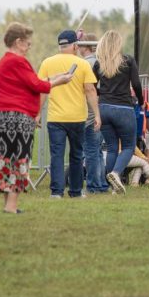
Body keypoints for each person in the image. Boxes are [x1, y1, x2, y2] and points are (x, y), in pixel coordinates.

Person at [0, 22, 73, 213]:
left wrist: (55, 76)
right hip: (17, 118)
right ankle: (11, 206)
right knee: (19, 160)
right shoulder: (18, 61)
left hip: (0, 117)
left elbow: (30, 82)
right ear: (18, 42)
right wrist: (61, 80)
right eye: (28, 43)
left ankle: (8, 205)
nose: (29, 47)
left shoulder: (5, 62)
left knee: (5, 161)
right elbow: (39, 86)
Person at [37, 30, 101, 199]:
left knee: (56, 155)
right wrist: (97, 115)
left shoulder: (47, 63)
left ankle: (56, 192)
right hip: (77, 118)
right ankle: (76, 191)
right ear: (74, 45)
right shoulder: (83, 64)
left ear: (60, 45)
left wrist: (37, 113)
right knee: (77, 155)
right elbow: (90, 90)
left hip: (55, 118)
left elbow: (42, 91)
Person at [93, 30, 145, 194]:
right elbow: (136, 84)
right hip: (123, 108)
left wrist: (103, 96)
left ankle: (111, 186)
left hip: (104, 109)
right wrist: (141, 101)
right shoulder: (128, 60)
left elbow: (92, 88)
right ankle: (115, 174)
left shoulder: (98, 64)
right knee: (129, 146)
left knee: (112, 147)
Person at [76, 31, 108, 194]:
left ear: (85, 46)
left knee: (90, 151)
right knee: (96, 150)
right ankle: (101, 183)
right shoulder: (102, 62)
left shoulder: (86, 64)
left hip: (90, 114)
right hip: (101, 111)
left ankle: (94, 185)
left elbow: (87, 89)